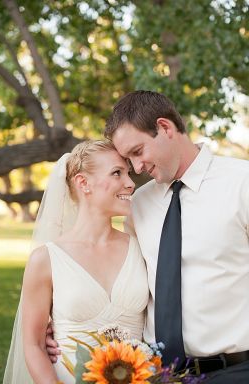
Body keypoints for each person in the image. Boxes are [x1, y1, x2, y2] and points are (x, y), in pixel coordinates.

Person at [104, 90, 249, 382]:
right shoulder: (138, 205)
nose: (137, 168)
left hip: (236, 372)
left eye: (137, 151)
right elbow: (129, 286)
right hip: (159, 374)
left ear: (165, 128)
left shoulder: (241, 183)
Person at [3, 140, 148, 383]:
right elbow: (34, 345)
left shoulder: (141, 247)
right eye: (117, 173)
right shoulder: (45, 259)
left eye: (128, 173)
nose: (130, 183)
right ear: (83, 183)